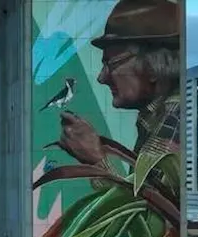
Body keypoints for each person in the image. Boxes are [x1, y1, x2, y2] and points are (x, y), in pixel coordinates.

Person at [57, 0, 182, 172]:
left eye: (112, 63)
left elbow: (146, 198)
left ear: (153, 68)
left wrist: (96, 159)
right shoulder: (159, 117)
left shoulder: (175, 116)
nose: (102, 78)